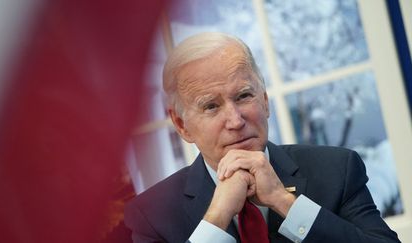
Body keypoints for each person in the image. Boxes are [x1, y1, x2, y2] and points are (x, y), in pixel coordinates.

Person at [122, 32, 400, 243]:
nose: (235, 120)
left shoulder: (337, 170)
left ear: (265, 101)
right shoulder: (152, 214)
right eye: (211, 106)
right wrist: (215, 219)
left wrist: (284, 202)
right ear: (182, 125)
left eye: (243, 96)